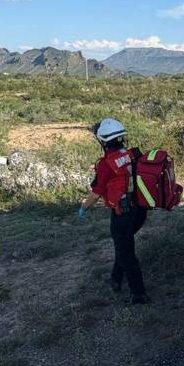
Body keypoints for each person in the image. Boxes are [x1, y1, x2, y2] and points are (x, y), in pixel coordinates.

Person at [78, 118, 149, 304]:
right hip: (140, 210)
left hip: (122, 214)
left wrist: (84, 207)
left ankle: (138, 294)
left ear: (102, 141)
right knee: (122, 244)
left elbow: (96, 192)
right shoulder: (133, 154)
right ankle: (115, 279)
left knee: (126, 252)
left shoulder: (106, 164)